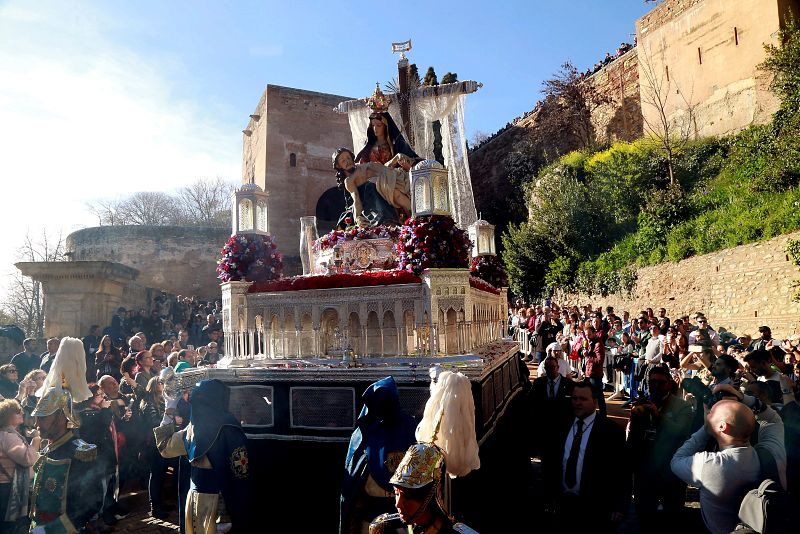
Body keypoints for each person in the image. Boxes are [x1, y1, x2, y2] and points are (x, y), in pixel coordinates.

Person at [670, 399, 786, 534]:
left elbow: (676, 461)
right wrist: (744, 398)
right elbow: (773, 420)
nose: (707, 413)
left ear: (722, 427)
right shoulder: (770, 452)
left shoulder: (709, 464)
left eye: (711, 412)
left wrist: (705, 428)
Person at [154, 379, 254, 533]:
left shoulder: (192, 429)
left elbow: (165, 447)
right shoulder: (230, 425)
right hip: (223, 501)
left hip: (198, 498)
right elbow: (240, 471)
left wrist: (169, 410)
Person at [543, 380, 630, 534]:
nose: (577, 403)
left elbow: (622, 472)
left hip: (595, 508)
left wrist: (620, 507)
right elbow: (551, 462)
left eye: (583, 399)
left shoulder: (611, 432)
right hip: (562, 505)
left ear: (595, 402)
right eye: (574, 398)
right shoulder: (561, 425)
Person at [340, 376, 416, 534]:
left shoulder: (412, 430)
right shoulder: (361, 436)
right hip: (370, 524)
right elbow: (352, 489)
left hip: (406, 524)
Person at [29, 387, 104, 533]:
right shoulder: (47, 449)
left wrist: (49, 531)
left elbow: (90, 503)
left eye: (43, 418)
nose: (37, 424)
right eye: (37, 418)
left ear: (62, 417)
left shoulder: (80, 453)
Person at [627, 366, 692, 533]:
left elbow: (681, 432)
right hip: (645, 472)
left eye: (660, 383)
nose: (655, 386)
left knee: (672, 519)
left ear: (669, 384)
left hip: (671, 472)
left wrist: (658, 416)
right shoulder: (640, 404)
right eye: (652, 382)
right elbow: (633, 437)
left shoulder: (682, 406)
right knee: (644, 517)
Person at [333, 147, 414, 228]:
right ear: (338, 165)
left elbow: (385, 168)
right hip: (376, 200)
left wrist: (396, 158)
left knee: (393, 190)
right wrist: (357, 217)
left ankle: (415, 216)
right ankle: (413, 217)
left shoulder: (363, 166)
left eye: (348, 157)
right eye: (343, 161)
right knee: (389, 191)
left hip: (392, 180)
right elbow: (356, 199)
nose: (347, 161)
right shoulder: (349, 181)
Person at [0, 399, 40, 534]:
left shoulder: (8, 434)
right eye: (17, 412)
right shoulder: (7, 436)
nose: (22, 413)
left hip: (7, 488)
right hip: (7, 490)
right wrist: (36, 439)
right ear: (7, 416)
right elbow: (27, 459)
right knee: (8, 528)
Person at [140, 376, 170, 519]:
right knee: (156, 474)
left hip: (162, 441)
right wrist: (170, 418)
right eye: (160, 382)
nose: (163, 384)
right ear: (153, 385)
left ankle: (161, 503)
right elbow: (153, 423)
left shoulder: (162, 400)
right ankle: (155, 507)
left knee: (162, 473)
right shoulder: (148, 402)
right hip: (152, 443)